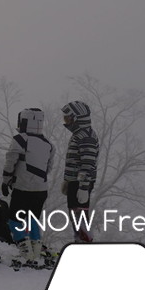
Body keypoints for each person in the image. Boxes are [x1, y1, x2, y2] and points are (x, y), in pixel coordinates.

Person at [2, 107, 55, 266]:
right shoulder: (49, 144)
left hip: (23, 187)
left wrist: (6, 180)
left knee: (14, 220)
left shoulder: (19, 139)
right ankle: (36, 251)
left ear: (24, 121)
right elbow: (49, 167)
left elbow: (10, 161)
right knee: (33, 219)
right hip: (41, 189)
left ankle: (26, 252)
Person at [61, 99, 99, 244]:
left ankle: (85, 242)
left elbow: (87, 163)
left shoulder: (86, 136)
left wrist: (83, 187)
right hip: (74, 181)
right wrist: (67, 180)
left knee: (80, 215)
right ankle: (79, 241)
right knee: (74, 214)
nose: (65, 121)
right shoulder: (79, 134)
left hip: (81, 183)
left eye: (67, 117)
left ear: (77, 118)